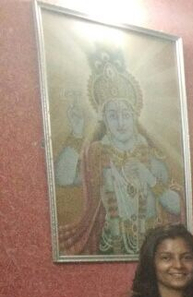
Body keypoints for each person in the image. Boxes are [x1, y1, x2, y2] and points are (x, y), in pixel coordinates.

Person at [57, 53, 183, 256]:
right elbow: (63, 179)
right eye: (113, 115)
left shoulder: (152, 159)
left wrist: (148, 178)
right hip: (109, 244)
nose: (121, 122)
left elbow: (176, 207)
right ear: (103, 118)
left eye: (126, 115)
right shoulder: (97, 157)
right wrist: (77, 133)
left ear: (135, 117)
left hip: (153, 249)